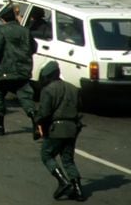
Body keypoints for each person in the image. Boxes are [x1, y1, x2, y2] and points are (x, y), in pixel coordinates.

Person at [0, 4, 39, 138]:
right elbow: (34, 48)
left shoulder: (1, 31)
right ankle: (35, 120)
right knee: (25, 96)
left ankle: (0, 125)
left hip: (4, 70)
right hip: (23, 70)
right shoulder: (25, 31)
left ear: (3, 20)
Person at [36, 60, 86, 201]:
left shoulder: (48, 90)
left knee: (46, 155)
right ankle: (78, 190)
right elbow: (80, 106)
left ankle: (63, 181)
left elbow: (44, 113)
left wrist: (38, 123)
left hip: (57, 128)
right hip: (73, 128)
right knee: (68, 159)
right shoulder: (73, 88)